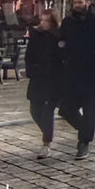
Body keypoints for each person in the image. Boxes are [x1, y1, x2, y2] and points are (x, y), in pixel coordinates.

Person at [58, 0, 95, 160]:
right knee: (66, 109)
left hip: (92, 71)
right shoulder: (68, 22)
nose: (77, 5)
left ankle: (84, 143)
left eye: (80, 2)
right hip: (73, 72)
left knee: (90, 110)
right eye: (75, 2)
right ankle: (85, 129)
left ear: (87, 3)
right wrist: (64, 53)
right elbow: (61, 41)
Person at [25, 8, 63, 159]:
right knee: (34, 111)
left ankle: (46, 144)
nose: (43, 23)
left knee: (47, 112)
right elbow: (29, 56)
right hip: (37, 78)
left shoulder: (58, 37)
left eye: (47, 20)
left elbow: (63, 58)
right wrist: (32, 71)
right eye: (42, 20)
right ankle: (47, 133)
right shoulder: (36, 35)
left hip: (53, 80)